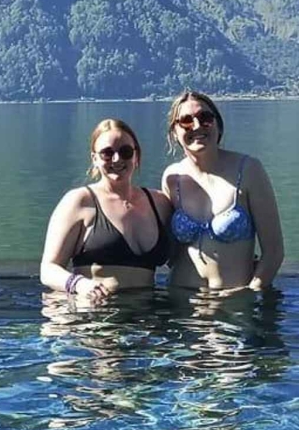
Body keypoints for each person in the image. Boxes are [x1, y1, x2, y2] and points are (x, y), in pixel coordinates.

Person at [161, 90, 284, 291]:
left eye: (205, 118)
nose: (197, 125)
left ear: (218, 124)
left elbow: (274, 253)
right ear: (175, 132)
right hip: (181, 299)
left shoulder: (249, 170)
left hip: (234, 302)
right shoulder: (172, 177)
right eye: (186, 121)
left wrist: (250, 293)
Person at [40, 118, 175, 300]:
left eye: (125, 152)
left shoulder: (160, 203)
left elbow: (181, 257)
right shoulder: (79, 201)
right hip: (95, 311)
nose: (117, 159)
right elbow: (48, 270)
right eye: (107, 153)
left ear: (136, 156)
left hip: (148, 312)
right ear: (94, 159)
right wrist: (79, 284)